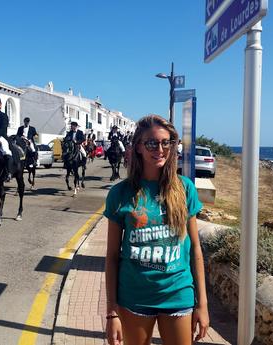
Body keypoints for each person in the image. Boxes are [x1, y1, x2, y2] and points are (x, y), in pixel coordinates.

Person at [104, 114, 209, 345]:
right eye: (151, 143)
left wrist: (202, 304)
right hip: (134, 296)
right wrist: (112, 312)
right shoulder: (120, 194)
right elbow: (111, 257)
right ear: (139, 147)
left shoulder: (185, 189)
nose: (159, 149)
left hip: (178, 293)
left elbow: (195, 251)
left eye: (166, 142)